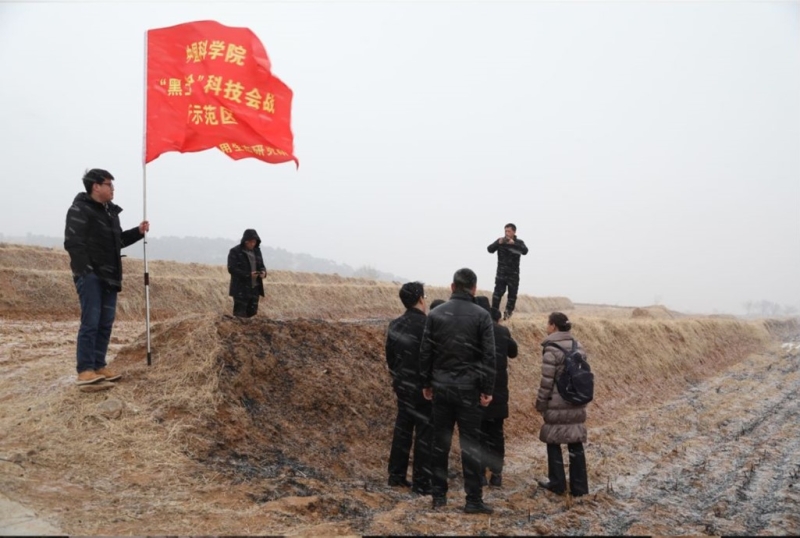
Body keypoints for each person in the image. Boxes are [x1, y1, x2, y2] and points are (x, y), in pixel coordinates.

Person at [420, 268, 496, 514]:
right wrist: (487, 388)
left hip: (441, 388)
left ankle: (438, 496)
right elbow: (489, 356)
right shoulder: (482, 316)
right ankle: (473, 500)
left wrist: (426, 383)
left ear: (452, 287)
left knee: (439, 443)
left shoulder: (435, 314)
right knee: (470, 445)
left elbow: (426, 352)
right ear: (474, 288)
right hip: (469, 390)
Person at [64, 168, 149, 385]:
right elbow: (73, 243)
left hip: (111, 277)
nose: (113, 189)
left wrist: (138, 232)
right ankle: (85, 370)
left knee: (105, 323)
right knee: (91, 322)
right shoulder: (80, 209)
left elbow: (116, 241)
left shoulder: (110, 213)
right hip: (91, 276)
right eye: (109, 184)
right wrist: (86, 271)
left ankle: (99, 365)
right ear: (96, 186)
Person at [385, 282, 433, 495]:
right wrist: (429, 382)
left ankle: (396, 476)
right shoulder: (428, 324)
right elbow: (431, 357)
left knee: (402, 429)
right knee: (424, 433)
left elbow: (390, 356)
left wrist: (398, 376)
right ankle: (422, 482)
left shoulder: (395, 324)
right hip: (424, 387)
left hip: (402, 384)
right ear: (421, 299)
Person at [535, 312, 589, 497]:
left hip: (556, 403)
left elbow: (547, 381)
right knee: (575, 442)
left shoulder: (551, 348)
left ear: (553, 326)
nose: (546, 327)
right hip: (576, 401)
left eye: (548, 323)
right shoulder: (578, 346)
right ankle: (580, 487)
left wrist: (541, 403)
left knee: (553, 440)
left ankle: (557, 483)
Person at [479, 306, 518, 488]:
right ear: (498, 319)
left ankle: (480, 473)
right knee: (496, 433)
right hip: (499, 390)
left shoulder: (478, 331)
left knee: (479, 433)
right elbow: (513, 352)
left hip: (480, 389)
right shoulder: (503, 332)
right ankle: (496, 474)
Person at [487, 223, 528, 320]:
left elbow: (525, 251)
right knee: (497, 295)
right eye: (505, 231)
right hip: (501, 274)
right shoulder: (500, 241)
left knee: (512, 297)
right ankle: (494, 317)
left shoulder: (519, 242)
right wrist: (498, 243)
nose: (506, 233)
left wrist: (514, 244)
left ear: (514, 232)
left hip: (513, 275)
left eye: (509, 231)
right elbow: (489, 249)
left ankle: (507, 317)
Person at [227, 229, 267, 318]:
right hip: (240, 289)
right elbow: (232, 269)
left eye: (254, 242)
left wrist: (263, 272)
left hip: (255, 289)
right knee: (240, 316)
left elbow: (261, 265)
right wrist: (248, 274)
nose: (253, 244)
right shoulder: (235, 251)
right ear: (246, 241)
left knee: (252, 316)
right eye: (251, 242)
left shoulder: (257, 251)